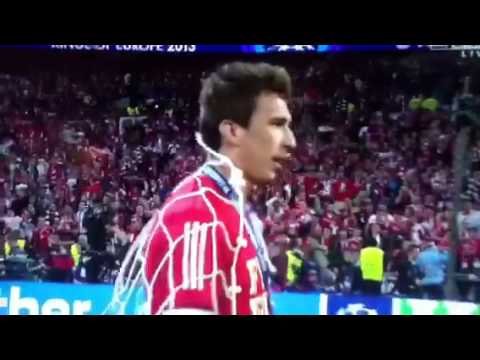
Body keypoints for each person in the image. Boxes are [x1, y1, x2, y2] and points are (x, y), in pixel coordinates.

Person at [111, 62, 296, 315]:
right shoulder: (197, 214)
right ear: (232, 131)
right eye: (277, 124)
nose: (290, 141)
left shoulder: (227, 207)